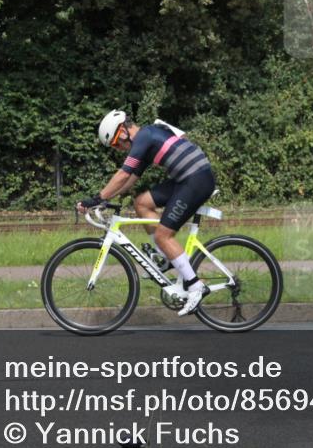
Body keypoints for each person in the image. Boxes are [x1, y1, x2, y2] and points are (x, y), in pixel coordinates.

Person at [77, 110, 216, 316]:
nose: (118, 148)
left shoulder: (144, 136)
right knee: (141, 202)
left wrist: (96, 198)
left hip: (195, 180)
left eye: (116, 142)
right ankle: (166, 257)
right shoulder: (145, 142)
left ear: (123, 130)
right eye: (114, 146)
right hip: (187, 178)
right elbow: (130, 179)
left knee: (163, 235)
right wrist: (107, 199)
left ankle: (196, 286)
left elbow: (123, 173)